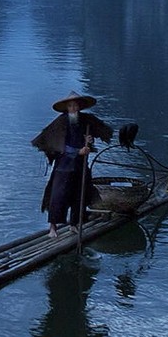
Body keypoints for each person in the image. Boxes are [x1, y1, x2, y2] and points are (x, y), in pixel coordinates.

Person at [32, 91, 112, 236]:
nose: (73, 108)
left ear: (79, 107)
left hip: (80, 165)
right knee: (58, 195)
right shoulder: (61, 122)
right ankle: (53, 228)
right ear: (67, 108)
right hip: (64, 166)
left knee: (79, 195)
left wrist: (89, 141)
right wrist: (77, 152)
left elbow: (89, 137)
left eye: (76, 106)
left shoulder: (84, 121)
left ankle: (74, 224)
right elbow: (59, 145)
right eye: (70, 106)